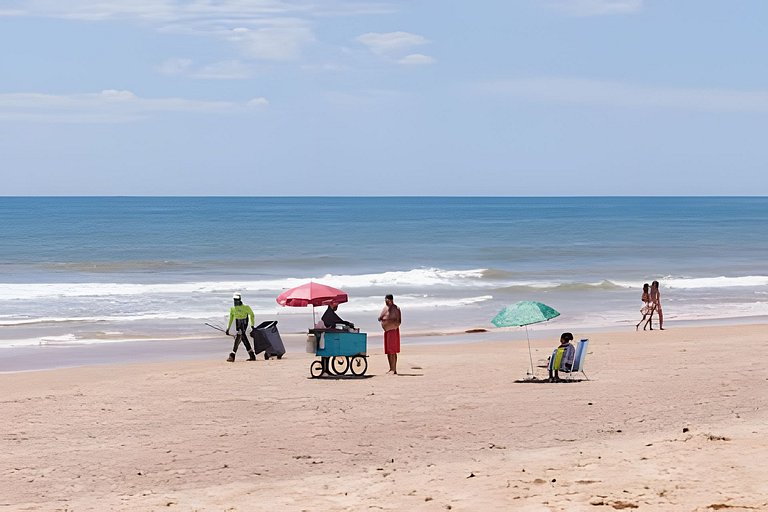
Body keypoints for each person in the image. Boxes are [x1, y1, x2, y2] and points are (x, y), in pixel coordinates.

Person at [225, 293, 257, 362]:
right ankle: (252, 355)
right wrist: (228, 328)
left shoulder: (246, 307)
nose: (235, 301)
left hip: (244, 324)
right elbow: (231, 318)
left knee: (239, 335)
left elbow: (252, 315)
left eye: (237, 300)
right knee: (243, 338)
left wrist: (252, 325)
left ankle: (232, 355)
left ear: (240, 299)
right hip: (238, 325)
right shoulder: (232, 309)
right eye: (234, 300)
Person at [378, 294, 402, 374]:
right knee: (388, 351)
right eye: (385, 300)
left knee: (393, 351)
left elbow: (399, 321)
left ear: (391, 300)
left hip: (393, 330)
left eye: (387, 301)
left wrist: (392, 324)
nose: (386, 302)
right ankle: (390, 368)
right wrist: (383, 320)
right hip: (387, 330)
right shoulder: (385, 308)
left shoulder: (396, 309)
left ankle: (394, 369)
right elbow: (380, 317)